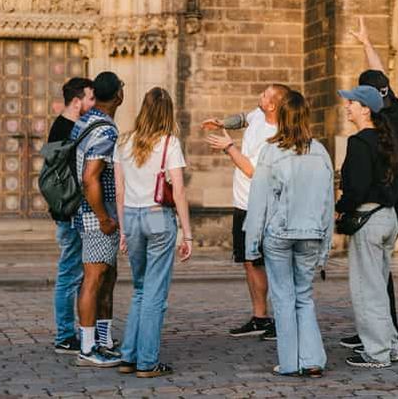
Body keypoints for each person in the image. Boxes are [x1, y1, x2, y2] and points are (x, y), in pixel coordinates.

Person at [244, 90, 334, 377]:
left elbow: (258, 201)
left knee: (284, 298)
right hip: (311, 233)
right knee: (304, 296)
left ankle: (290, 362)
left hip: (280, 233)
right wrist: (325, 246)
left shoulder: (271, 152)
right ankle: (312, 360)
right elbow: (328, 202)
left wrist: (251, 244)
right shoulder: (320, 152)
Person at [114, 87, 194, 378]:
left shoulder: (124, 142)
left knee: (139, 289)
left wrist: (123, 230)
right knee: (155, 293)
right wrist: (187, 234)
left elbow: (119, 191)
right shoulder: (169, 143)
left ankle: (129, 356)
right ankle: (147, 361)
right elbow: (179, 191)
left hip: (132, 217)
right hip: (158, 216)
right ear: (167, 113)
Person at [340, 17, 398, 351]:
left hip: (372, 205)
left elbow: (356, 186)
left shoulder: (367, 135)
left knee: (373, 279)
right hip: (394, 203)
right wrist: (367, 44)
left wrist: (340, 209)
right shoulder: (394, 116)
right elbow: (381, 80)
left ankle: (379, 338)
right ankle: (383, 334)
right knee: (380, 274)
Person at [202, 83, 290, 340]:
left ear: (273, 105)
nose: (260, 96)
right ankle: (260, 317)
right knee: (249, 262)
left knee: (265, 262)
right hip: (242, 203)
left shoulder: (274, 135)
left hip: (260, 206)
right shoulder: (259, 115)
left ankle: (281, 320)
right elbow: (243, 118)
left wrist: (229, 147)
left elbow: (253, 171)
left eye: (265, 95)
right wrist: (222, 122)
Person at [336, 85, 398, 368]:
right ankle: (391, 346)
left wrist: (341, 208)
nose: (347, 107)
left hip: (369, 219)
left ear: (366, 109)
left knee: (367, 289)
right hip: (387, 217)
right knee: (379, 285)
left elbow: (358, 187)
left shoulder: (360, 142)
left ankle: (377, 353)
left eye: (351, 102)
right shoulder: (387, 140)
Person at [72, 71, 124, 367]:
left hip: (91, 213)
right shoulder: (105, 131)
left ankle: (103, 341)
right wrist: (104, 218)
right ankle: (88, 347)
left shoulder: (86, 120)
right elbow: (90, 177)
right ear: (118, 95)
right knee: (94, 279)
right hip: (97, 216)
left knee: (106, 278)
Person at [48, 77, 96, 355]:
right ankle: (65, 335)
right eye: (90, 98)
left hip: (69, 211)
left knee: (75, 273)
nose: (94, 103)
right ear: (77, 102)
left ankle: (77, 332)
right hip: (70, 213)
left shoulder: (64, 126)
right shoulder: (67, 129)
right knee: (69, 274)